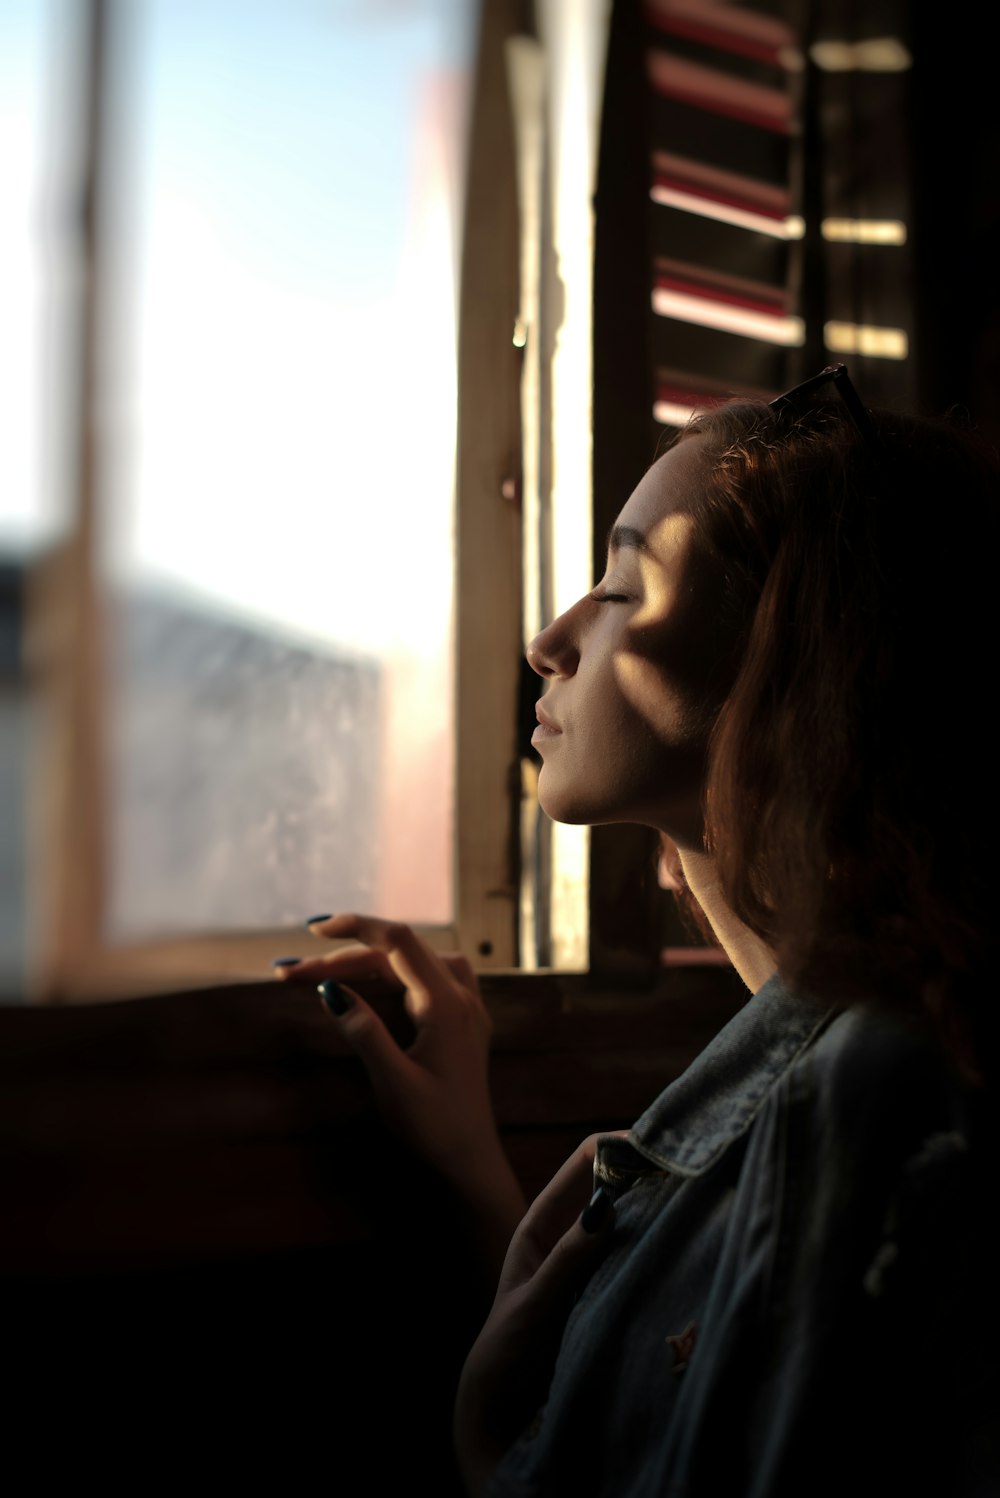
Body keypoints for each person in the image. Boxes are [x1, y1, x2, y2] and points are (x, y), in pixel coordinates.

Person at [274, 365, 1000, 1496]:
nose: (548, 638)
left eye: (619, 584)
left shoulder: (870, 1101)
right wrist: (475, 1170)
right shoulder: (855, 1065)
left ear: (789, 653)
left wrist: (484, 1456)